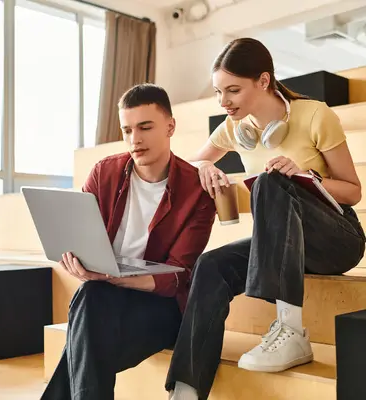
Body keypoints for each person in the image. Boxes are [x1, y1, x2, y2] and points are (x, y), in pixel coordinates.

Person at [166, 37, 366, 400]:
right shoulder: (234, 127)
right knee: (211, 265)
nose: (223, 102)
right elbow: (189, 164)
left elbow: (353, 191)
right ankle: (187, 389)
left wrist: (307, 177)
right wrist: (205, 165)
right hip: (281, 245)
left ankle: (291, 332)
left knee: (273, 180)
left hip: (337, 240)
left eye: (233, 90)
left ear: (263, 81)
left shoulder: (315, 115)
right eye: (217, 92)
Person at [41, 83, 216, 399]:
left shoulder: (196, 191)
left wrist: (117, 278)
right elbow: (80, 235)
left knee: (88, 341)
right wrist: (75, 260)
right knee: (90, 296)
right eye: (127, 130)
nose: (135, 139)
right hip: (104, 297)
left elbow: (179, 275)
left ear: (170, 127)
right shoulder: (104, 172)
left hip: (161, 308)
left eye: (145, 127)